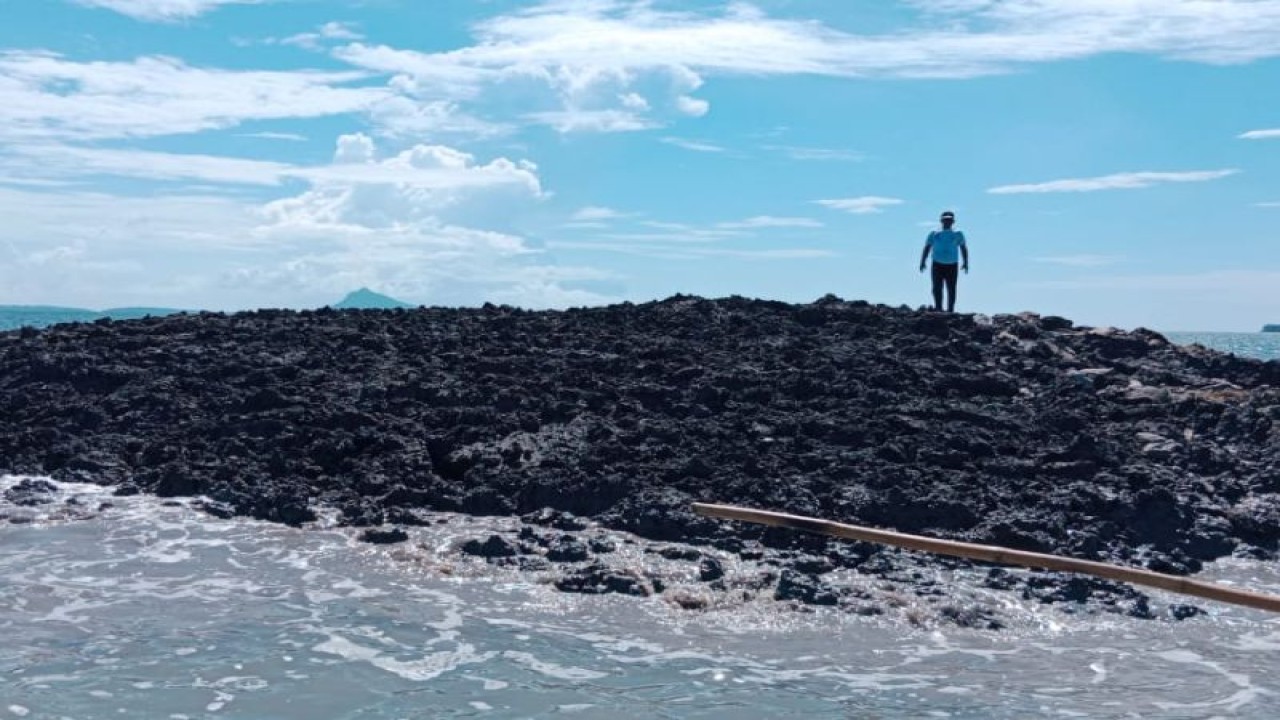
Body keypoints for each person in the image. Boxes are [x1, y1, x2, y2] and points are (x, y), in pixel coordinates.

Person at [918, 210, 969, 312]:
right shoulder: (934, 233)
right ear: (941, 221)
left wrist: (966, 262)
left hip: (952, 264)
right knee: (937, 287)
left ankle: (950, 310)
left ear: (953, 221)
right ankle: (938, 308)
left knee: (951, 288)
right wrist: (923, 261)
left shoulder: (958, 234)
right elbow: (927, 247)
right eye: (945, 220)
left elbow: (963, 248)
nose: (947, 222)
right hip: (937, 264)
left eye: (949, 220)